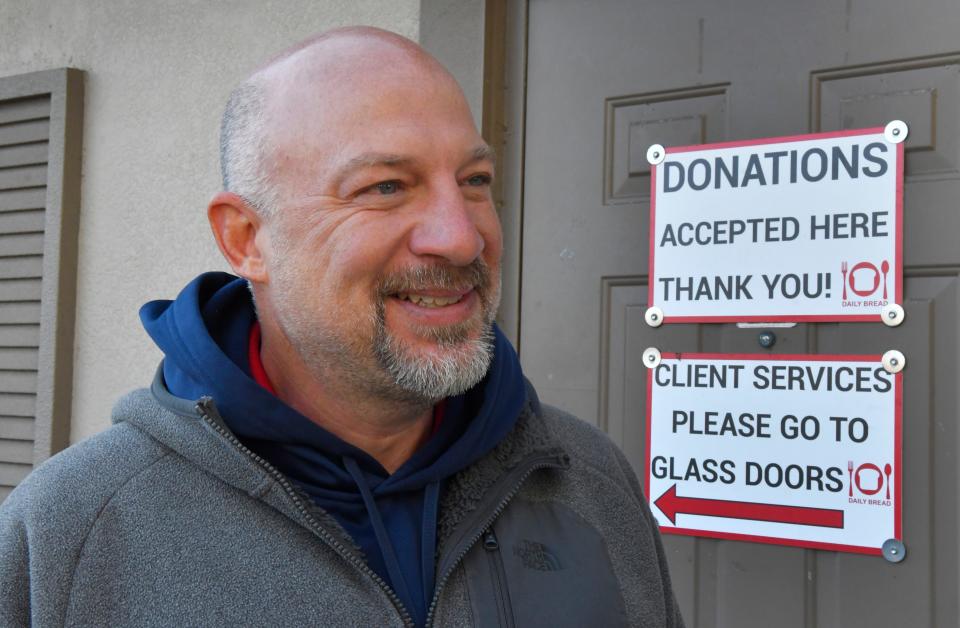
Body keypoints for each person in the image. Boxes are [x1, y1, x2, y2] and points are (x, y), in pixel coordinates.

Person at [0, 27, 683, 627]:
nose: (461, 238)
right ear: (246, 240)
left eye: (474, 181)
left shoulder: (588, 478)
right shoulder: (71, 532)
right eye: (386, 187)